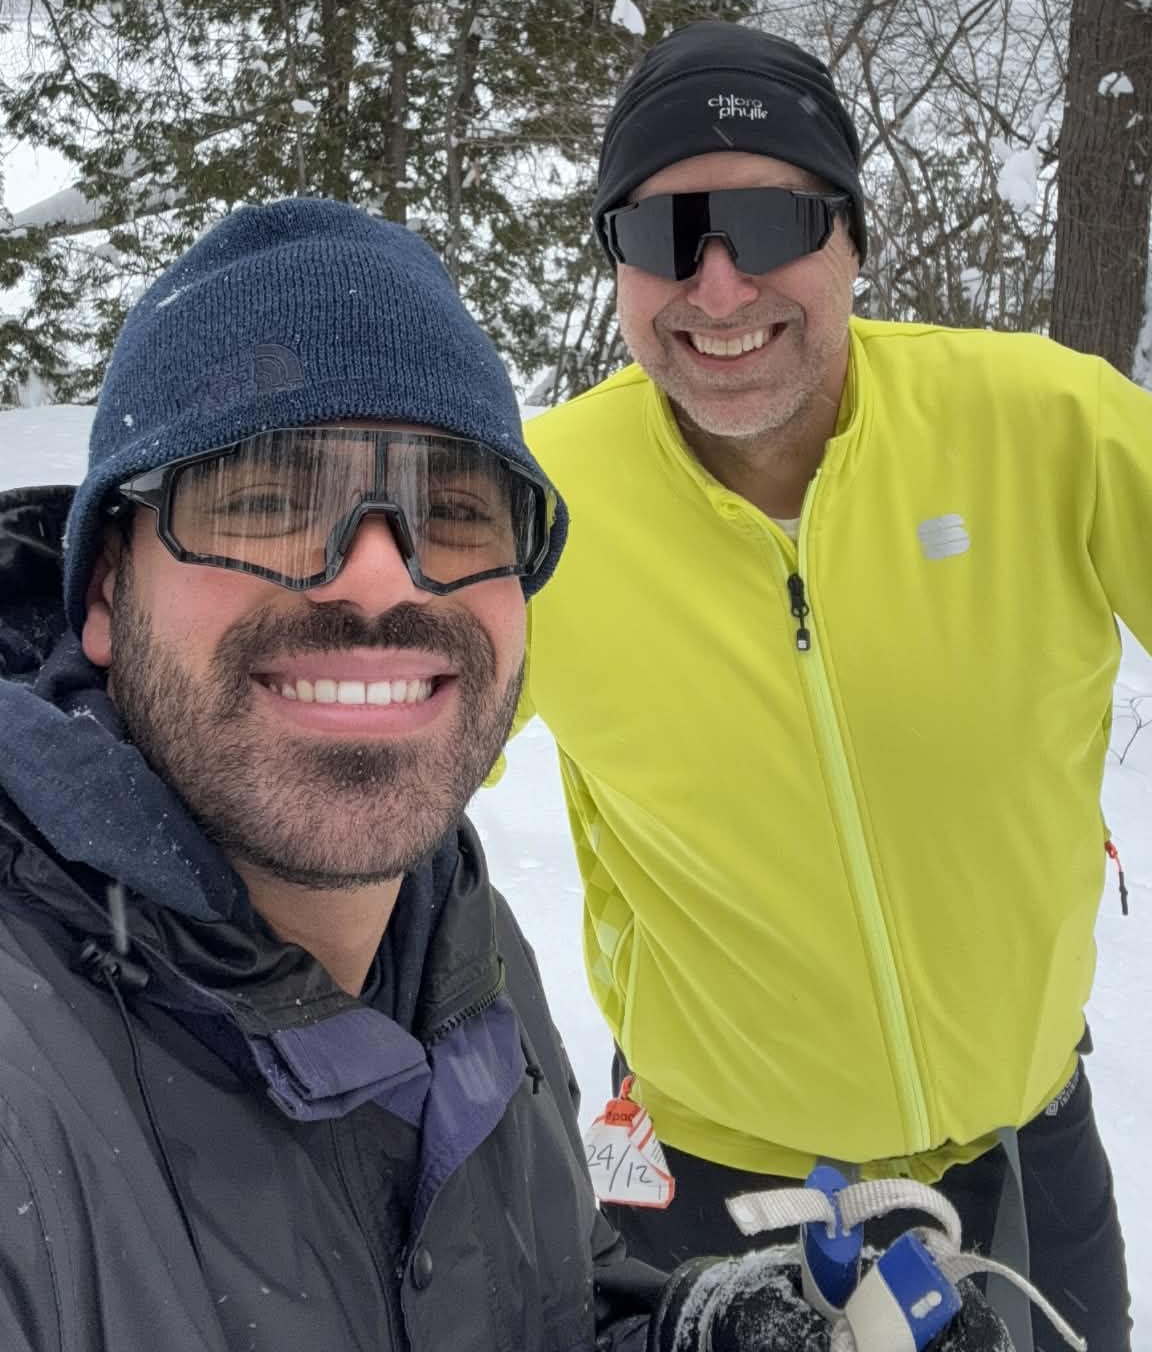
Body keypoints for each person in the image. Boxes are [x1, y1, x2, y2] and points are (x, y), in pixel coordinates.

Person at [0, 196, 1019, 1352]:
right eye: (268, 500)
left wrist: (693, 1337)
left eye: (455, 510)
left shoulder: (456, 940)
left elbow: (531, 1305)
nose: (381, 576)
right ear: (104, 590)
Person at [523, 21, 1144, 1351]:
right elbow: (353, 741)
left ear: (852, 237)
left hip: (1022, 1157)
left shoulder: (1047, 425)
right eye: (663, 234)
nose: (719, 285)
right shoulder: (540, 504)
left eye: (769, 222)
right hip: (710, 1188)